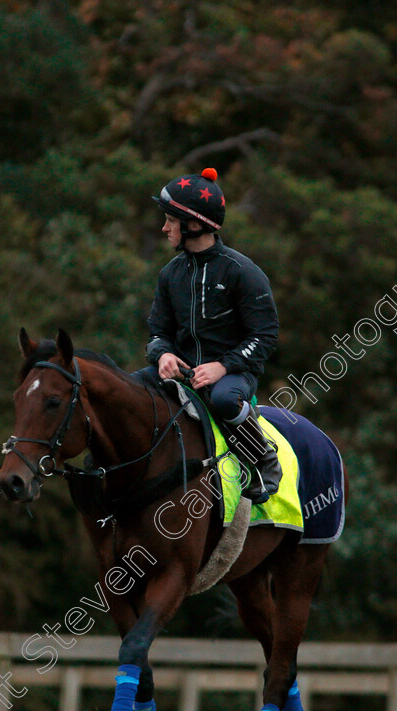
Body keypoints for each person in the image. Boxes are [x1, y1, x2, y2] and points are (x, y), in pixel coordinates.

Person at [133, 167, 281, 503]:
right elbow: (158, 332)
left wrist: (223, 367)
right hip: (183, 374)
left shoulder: (244, 272)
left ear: (194, 225)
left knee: (224, 398)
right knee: (131, 388)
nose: (164, 227)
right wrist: (164, 355)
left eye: (171, 220)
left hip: (233, 377)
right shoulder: (170, 274)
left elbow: (266, 335)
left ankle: (264, 460)